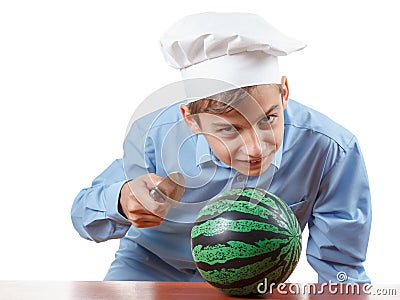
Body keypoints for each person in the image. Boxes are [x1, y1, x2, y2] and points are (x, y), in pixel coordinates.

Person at [71, 12, 371, 283]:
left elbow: (342, 269)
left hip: (252, 284)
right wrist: (123, 201)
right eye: (229, 129)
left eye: (268, 119)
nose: (255, 148)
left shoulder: (331, 148)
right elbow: (83, 216)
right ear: (192, 120)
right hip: (150, 269)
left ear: (285, 93)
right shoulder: (155, 136)